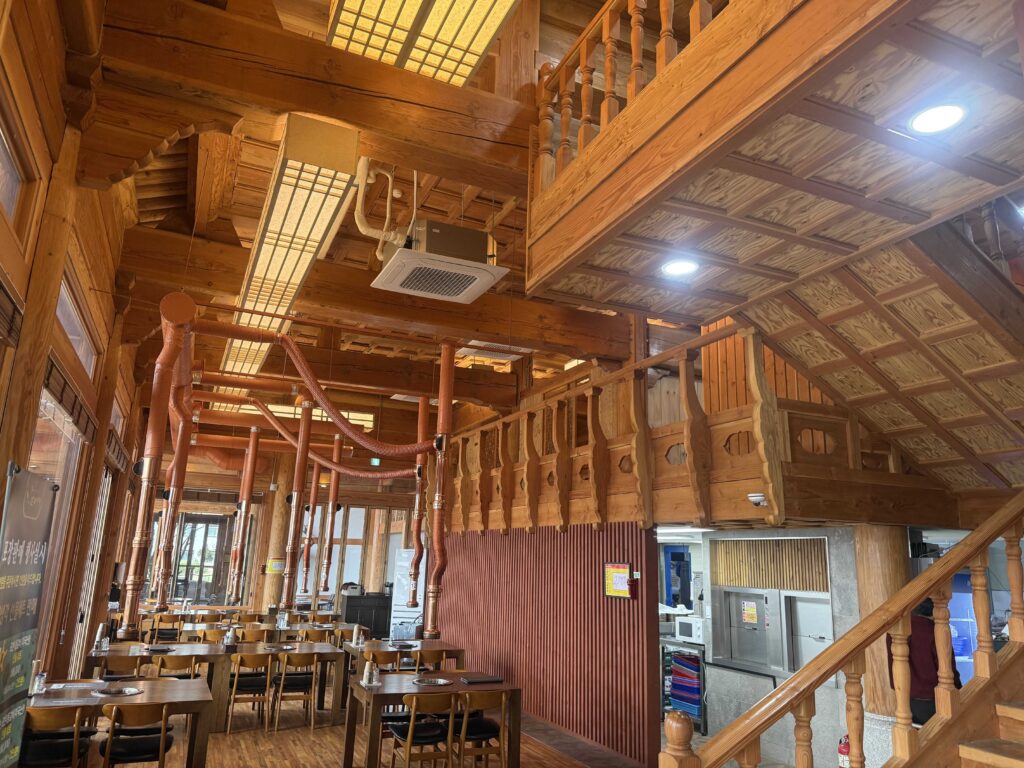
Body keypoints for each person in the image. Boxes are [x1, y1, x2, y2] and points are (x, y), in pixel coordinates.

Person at [886, 598, 962, 725]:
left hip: (905, 697)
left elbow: (891, 665)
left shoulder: (894, 631)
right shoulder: (935, 631)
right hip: (934, 698)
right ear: (934, 611)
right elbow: (947, 666)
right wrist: (958, 689)